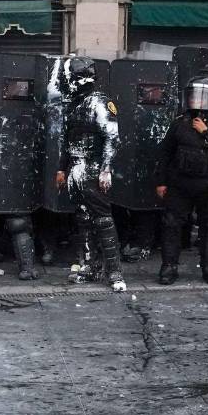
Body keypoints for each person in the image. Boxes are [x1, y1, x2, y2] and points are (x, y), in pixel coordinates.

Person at [155, 76, 208, 285]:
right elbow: (165, 153)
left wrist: (206, 132)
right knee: (171, 224)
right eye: (194, 96)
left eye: (203, 96)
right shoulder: (179, 122)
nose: (197, 101)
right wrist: (161, 182)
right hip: (181, 183)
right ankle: (169, 267)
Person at [55, 57, 124, 285]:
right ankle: (88, 267)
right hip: (76, 168)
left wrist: (105, 169)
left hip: (93, 167)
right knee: (83, 219)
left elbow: (112, 137)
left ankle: (114, 272)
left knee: (103, 220)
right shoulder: (73, 104)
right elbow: (67, 140)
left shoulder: (100, 102)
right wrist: (62, 169)